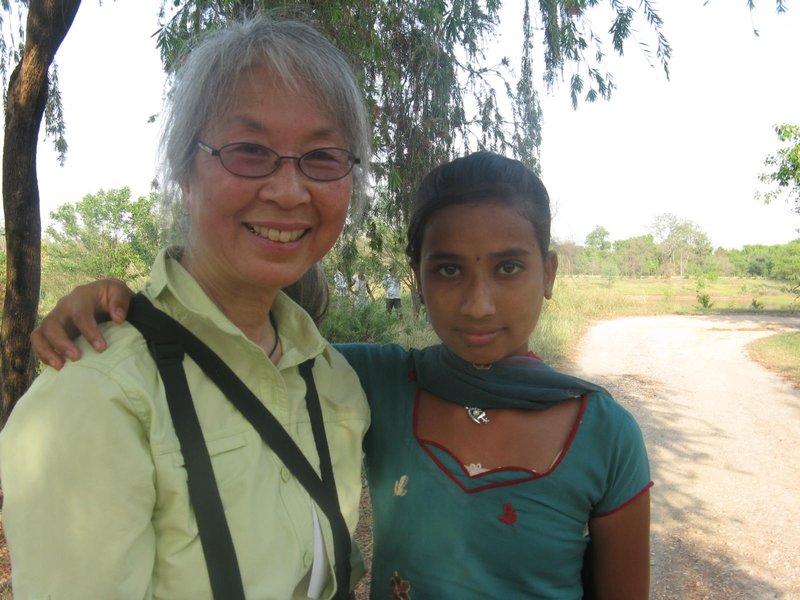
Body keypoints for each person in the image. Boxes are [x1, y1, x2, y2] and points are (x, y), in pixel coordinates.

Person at [31, 152, 652, 599]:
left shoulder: (604, 433)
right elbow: (239, 351)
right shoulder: (369, 381)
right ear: (416, 278)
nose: (479, 303)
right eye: (449, 270)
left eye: (510, 269)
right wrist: (121, 307)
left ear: (548, 272)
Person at [0, 15, 372, 600]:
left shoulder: (333, 380)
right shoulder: (100, 393)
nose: (288, 190)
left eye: (322, 156)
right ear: (183, 172)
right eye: (250, 150)